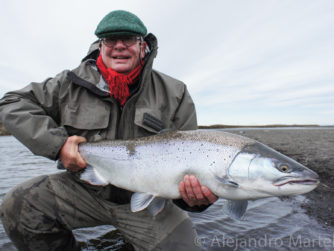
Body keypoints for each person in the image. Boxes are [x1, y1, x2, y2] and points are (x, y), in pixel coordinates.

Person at [0, 10, 217, 250]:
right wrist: (58, 145)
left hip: (151, 200)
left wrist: (196, 199)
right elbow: (11, 103)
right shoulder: (68, 84)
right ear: (101, 45)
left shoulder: (175, 92)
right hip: (83, 190)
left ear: (142, 45)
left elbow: (194, 159)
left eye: (129, 39)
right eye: (111, 39)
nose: (120, 46)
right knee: (18, 206)